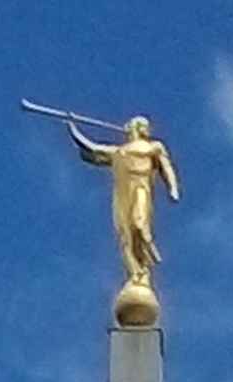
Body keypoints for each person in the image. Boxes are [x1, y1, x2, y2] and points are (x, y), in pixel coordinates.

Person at [69, 116, 181, 289]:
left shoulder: (154, 147)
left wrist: (172, 188)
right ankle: (136, 272)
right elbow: (92, 148)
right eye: (143, 125)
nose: (147, 128)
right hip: (123, 193)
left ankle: (149, 253)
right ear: (134, 127)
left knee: (139, 223)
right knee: (126, 235)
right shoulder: (119, 152)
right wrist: (72, 127)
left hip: (141, 188)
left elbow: (166, 167)